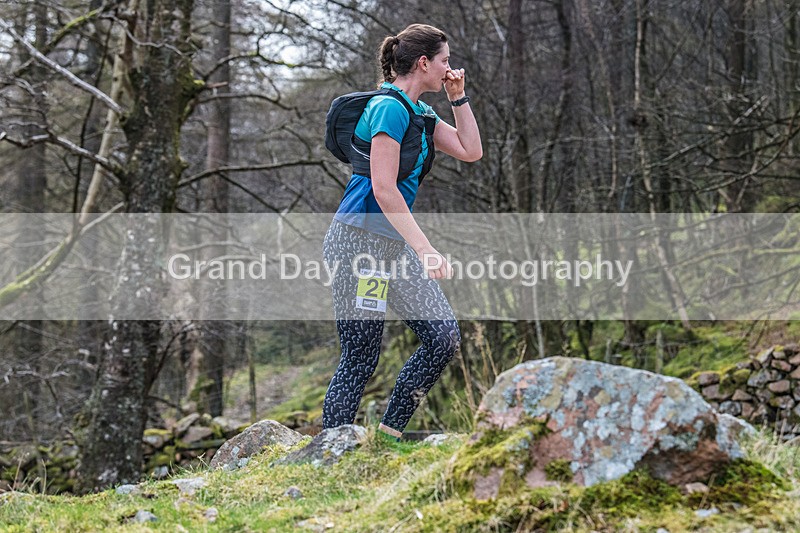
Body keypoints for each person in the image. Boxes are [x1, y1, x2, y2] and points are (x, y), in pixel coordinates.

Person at [322, 23, 482, 441]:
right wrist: (427, 249)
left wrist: (457, 98)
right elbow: (384, 188)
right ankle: (331, 451)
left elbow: (471, 151)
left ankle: (389, 435)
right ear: (424, 62)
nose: (451, 67)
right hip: (360, 247)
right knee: (360, 354)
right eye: (445, 60)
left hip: (389, 247)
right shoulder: (388, 109)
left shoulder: (420, 113)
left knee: (442, 337)